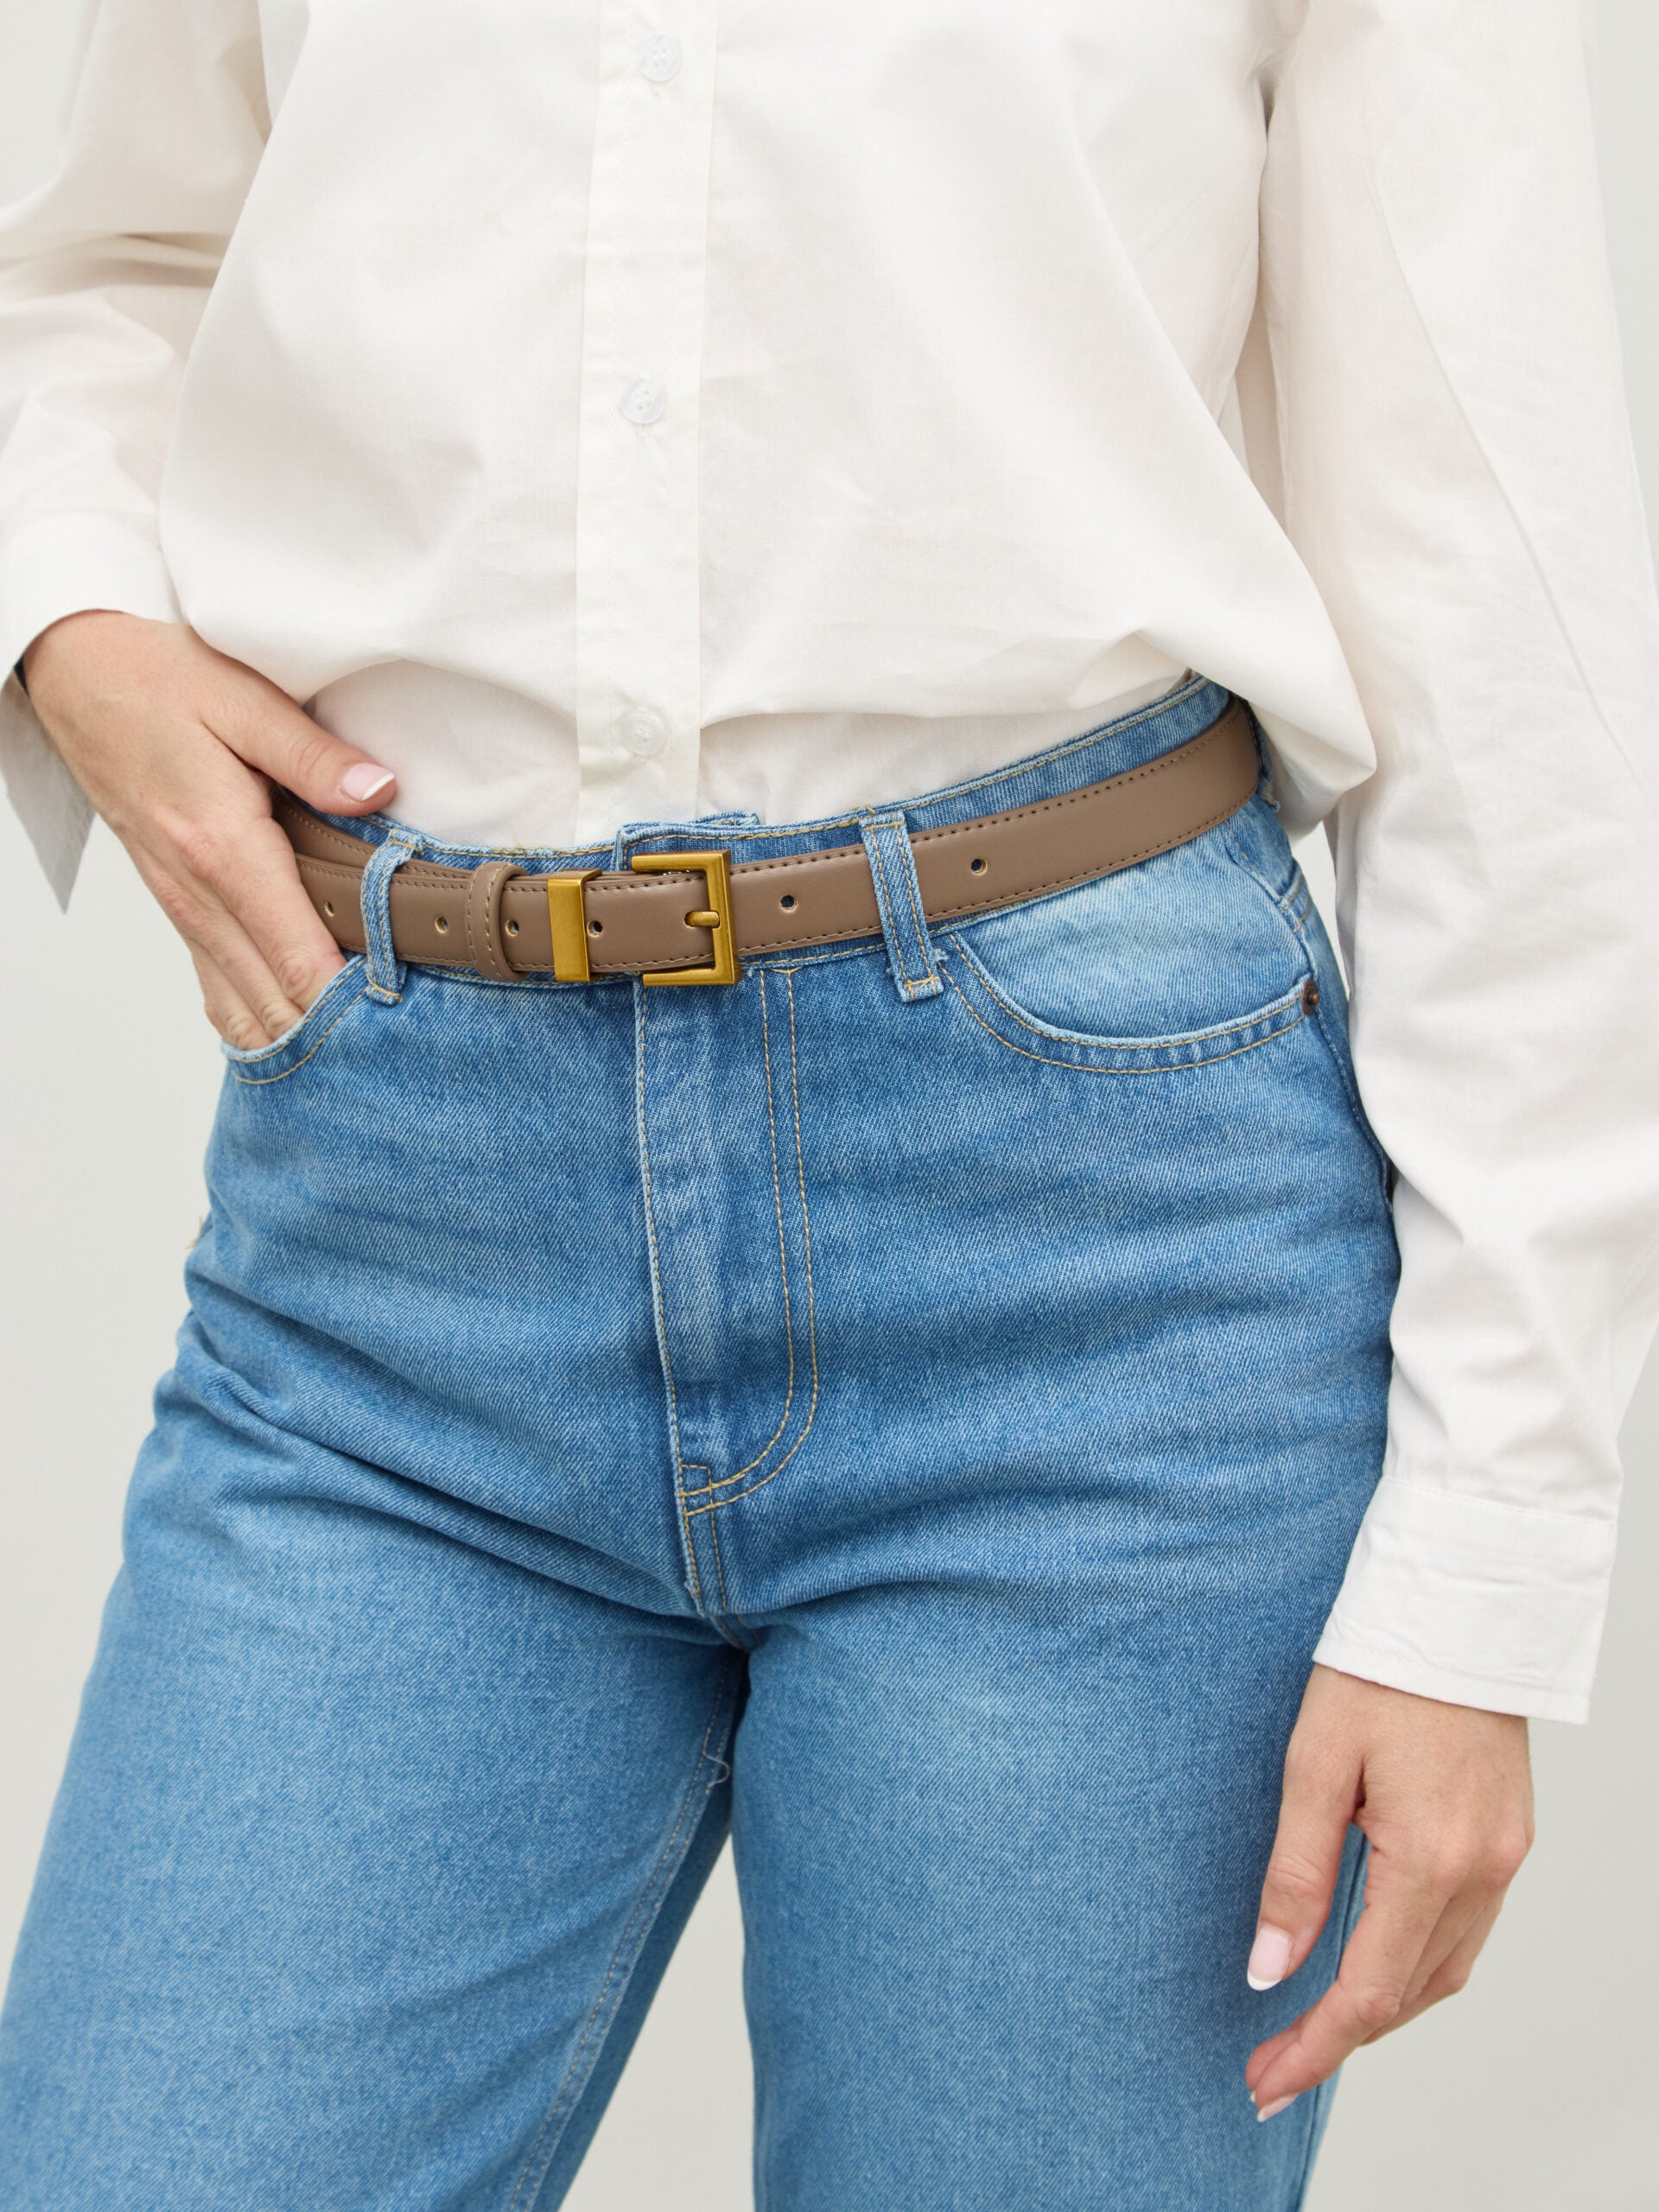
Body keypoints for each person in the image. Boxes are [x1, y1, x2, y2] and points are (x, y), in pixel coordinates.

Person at [0, 1, 1652, 2204]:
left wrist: (1483, 1563)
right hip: (397, 1268)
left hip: (1095, 1296)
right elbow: (111, 258)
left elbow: (1504, 607)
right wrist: (68, 611)